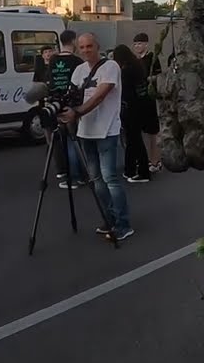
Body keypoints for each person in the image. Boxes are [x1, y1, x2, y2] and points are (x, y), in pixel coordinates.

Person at [59, 32, 133, 241]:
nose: (85, 50)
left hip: (107, 130)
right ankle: (109, 218)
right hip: (85, 131)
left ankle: (123, 223)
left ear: (97, 46)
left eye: (89, 46)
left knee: (110, 178)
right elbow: (73, 95)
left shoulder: (111, 67)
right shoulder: (78, 70)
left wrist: (76, 112)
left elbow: (100, 95)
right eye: (82, 47)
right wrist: (64, 108)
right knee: (96, 179)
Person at [46, 30, 86, 189]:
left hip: (56, 104)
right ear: (74, 41)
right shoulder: (77, 61)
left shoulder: (53, 60)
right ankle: (78, 176)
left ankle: (67, 174)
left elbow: (49, 81)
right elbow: (82, 84)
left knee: (62, 141)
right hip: (72, 104)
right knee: (73, 141)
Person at [112, 44, 153, 183]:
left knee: (134, 141)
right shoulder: (138, 67)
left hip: (130, 109)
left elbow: (124, 92)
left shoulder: (126, 71)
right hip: (141, 107)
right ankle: (129, 169)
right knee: (133, 140)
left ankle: (143, 172)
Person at [131, 32, 163, 176]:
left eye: (140, 44)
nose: (137, 46)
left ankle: (156, 161)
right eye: (135, 44)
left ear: (146, 44)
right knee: (141, 133)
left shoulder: (152, 58)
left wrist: (149, 79)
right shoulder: (134, 60)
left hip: (149, 98)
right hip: (138, 99)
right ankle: (144, 159)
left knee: (153, 132)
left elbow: (159, 75)